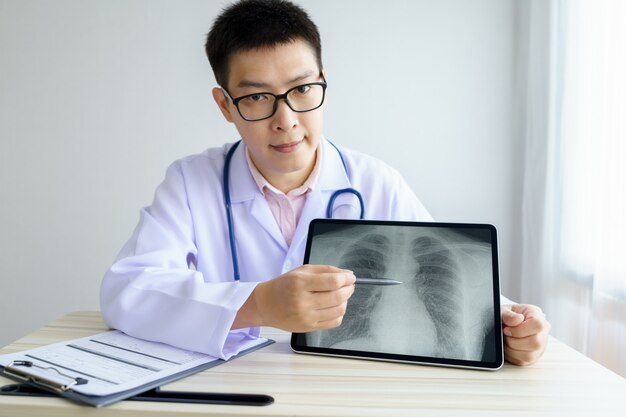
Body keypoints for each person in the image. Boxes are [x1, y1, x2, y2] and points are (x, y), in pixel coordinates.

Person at [100, 0, 550, 366]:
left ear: (323, 83)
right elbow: (127, 291)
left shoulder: (375, 182)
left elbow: (456, 288)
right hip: (233, 391)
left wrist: (513, 324)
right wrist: (258, 304)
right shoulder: (192, 182)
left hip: (345, 393)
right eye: (257, 97)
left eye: (301, 90)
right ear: (225, 105)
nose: (286, 121)